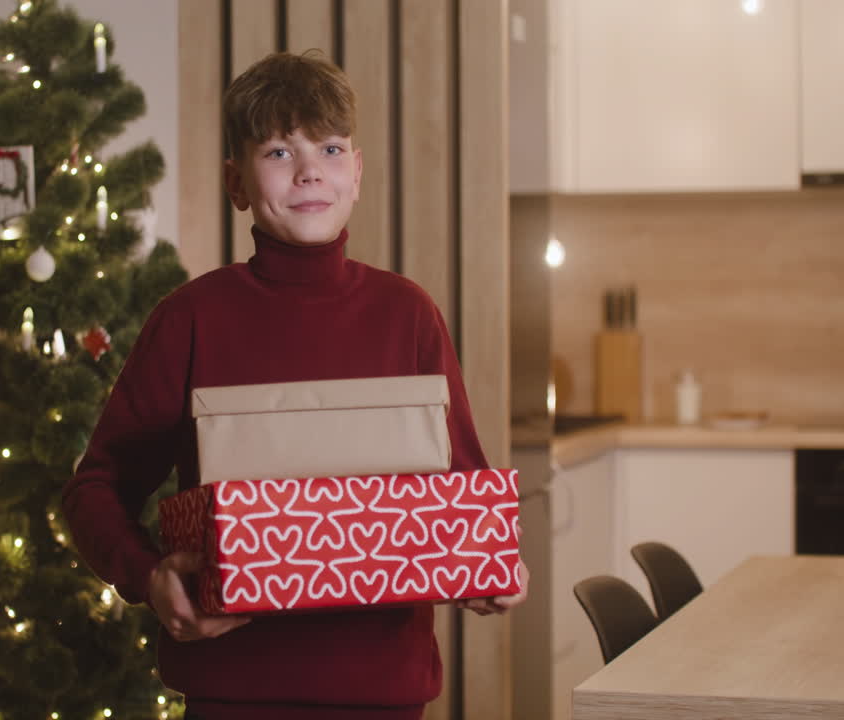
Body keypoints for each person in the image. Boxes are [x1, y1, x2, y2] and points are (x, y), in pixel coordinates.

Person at [63, 51, 528, 720]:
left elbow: (461, 493)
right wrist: (149, 576)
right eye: (279, 151)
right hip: (233, 696)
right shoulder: (189, 320)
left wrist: (494, 568)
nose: (311, 170)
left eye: (331, 148)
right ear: (236, 180)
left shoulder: (409, 314)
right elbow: (94, 489)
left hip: (385, 698)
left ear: (357, 172)